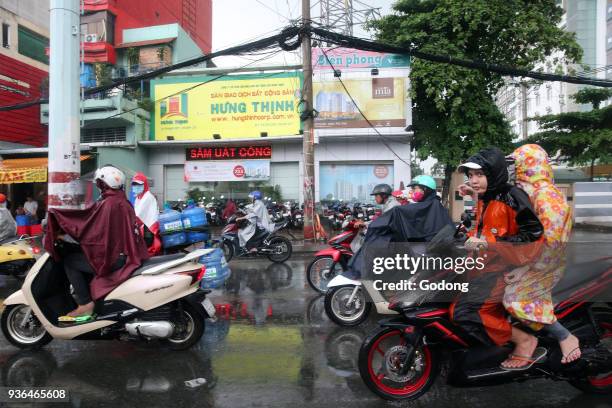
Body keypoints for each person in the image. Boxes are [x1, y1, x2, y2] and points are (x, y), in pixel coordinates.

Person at [452, 147, 545, 370]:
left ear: (493, 174)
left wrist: (489, 243)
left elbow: (533, 235)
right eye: (471, 175)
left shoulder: (513, 196)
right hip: (486, 266)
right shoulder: (488, 196)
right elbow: (486, 228)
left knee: (465, 313)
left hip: (504, 270)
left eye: (480, 175)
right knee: (452, 302)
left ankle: (524, 340)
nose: (474, 181)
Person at [502, 144, 580, 367]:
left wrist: (524, 268)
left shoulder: (547, 197)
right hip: (529, 259)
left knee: (514, 299)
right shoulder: (530, 192)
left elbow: (551, 241)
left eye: (516, 165)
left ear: (529, 165)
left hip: (546, 263)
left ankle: (565, 336)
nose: (513, 170)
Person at [44, 166, 149, 320]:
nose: (99, 187)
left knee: (70, 262)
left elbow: (90, 228)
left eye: (100, 184)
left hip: (115, 258)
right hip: (125, 254)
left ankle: (85, 304)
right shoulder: (122, 201)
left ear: (104, 184)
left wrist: (61, 220)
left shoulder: (109, 204)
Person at [132, 172, 162, 256]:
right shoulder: (138, 198)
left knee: (145, 253)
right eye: (134, 184)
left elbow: (137, 215)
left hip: (149, 229)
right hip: (143, 228)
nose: (135, 186)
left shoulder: (147, 197)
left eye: (138, 184)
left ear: (144, 184)